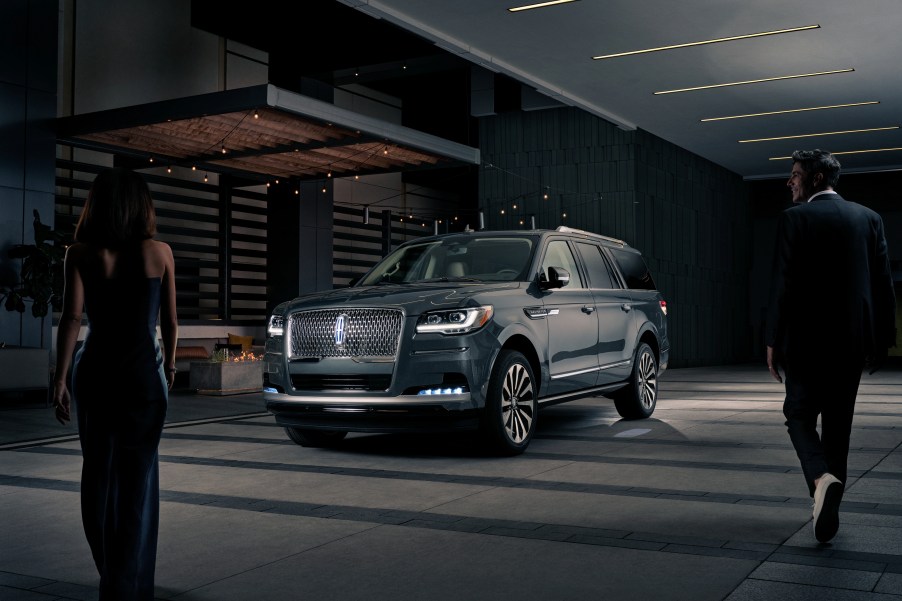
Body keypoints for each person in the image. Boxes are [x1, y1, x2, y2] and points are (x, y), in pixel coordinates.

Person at [52, 167, 178, 599]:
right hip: (143, 376)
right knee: (137, 482)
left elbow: (71, 319)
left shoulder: (80, 253)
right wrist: (172, 366)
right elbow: (169, 322)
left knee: (98, 477)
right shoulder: (160, 252)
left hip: (96, 374)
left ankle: (112, 571)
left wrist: (60, 378)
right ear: (141, 206)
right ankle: (127, 582)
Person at [766, 149, 895, 543]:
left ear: (817, 179)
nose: (790, 182)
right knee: (839, 428)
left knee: (798, 415)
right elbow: (881, 285)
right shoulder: (869, 218)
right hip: (852, 343)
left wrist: (772, 338)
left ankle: (821, 478)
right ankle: (829, 516)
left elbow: (782, 284)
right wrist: (883, 341)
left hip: (805, 341)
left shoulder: (795, 218)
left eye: (795, 175)